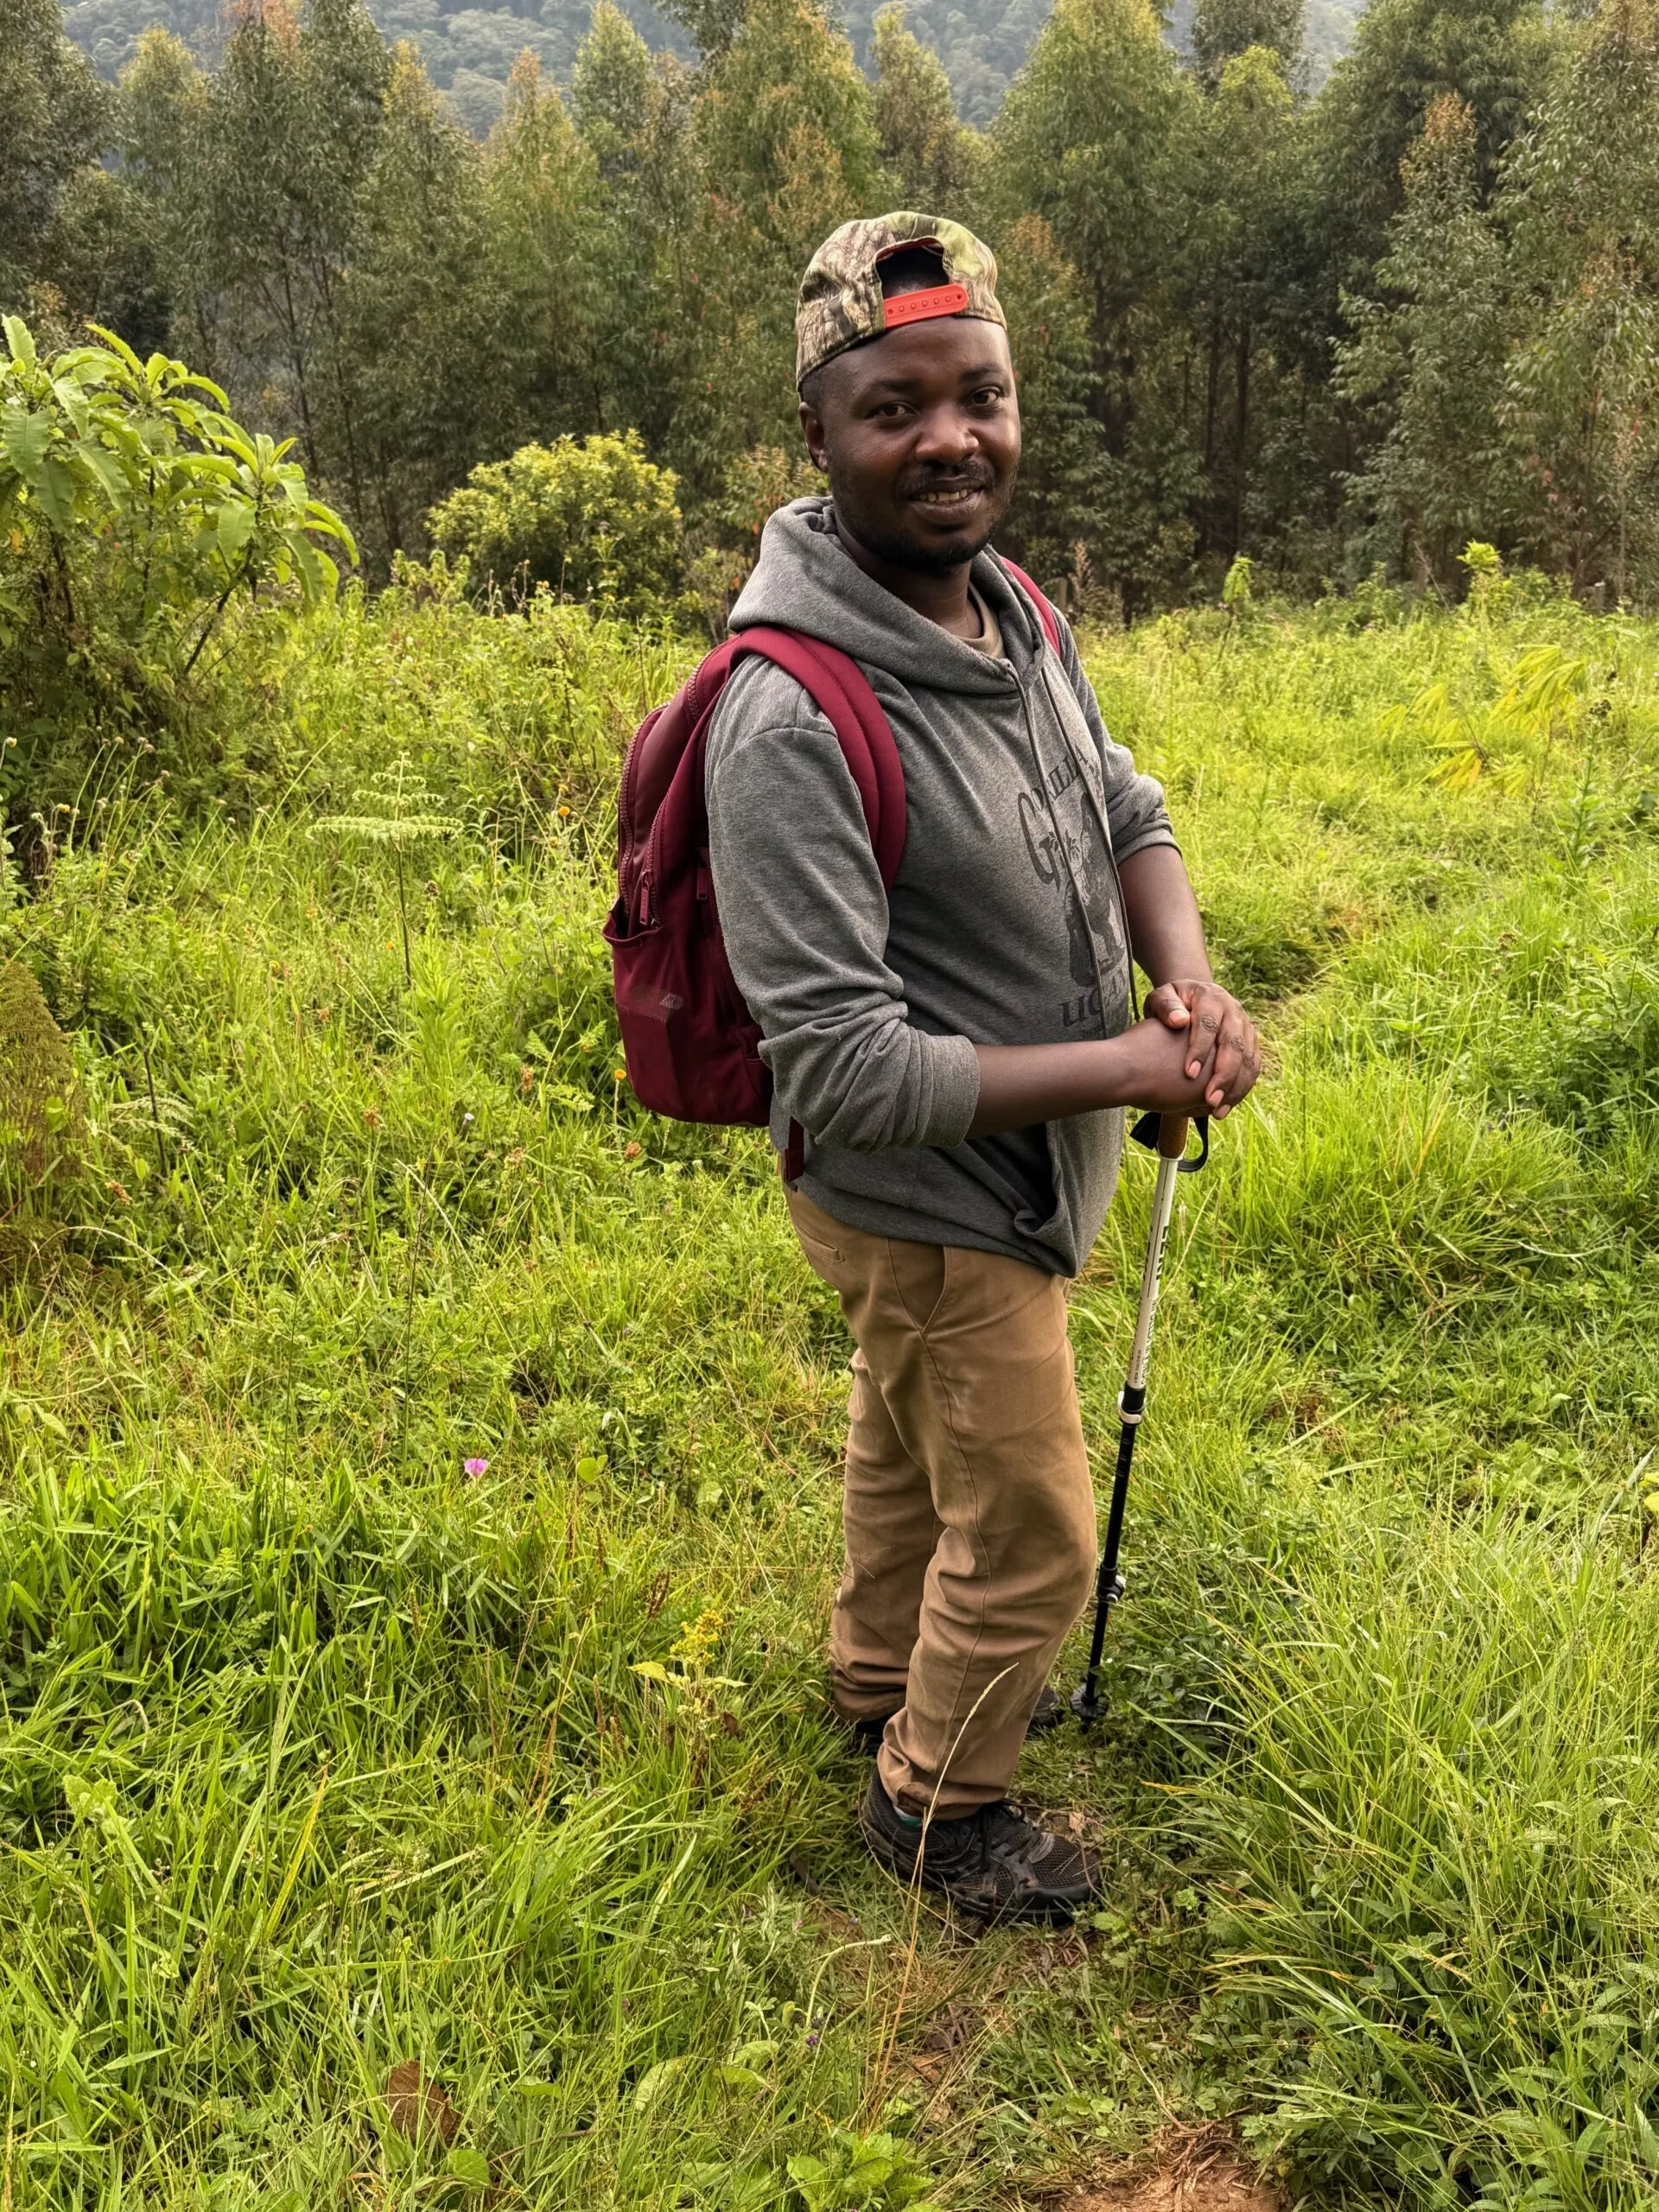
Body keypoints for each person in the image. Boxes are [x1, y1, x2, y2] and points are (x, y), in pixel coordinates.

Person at [704, 213, 1262, 1920]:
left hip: (1003, 1178)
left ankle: (876, 1676)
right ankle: (941, 1803)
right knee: (1031, 1532)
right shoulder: (783, 715)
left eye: (983, 394)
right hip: (921, 1194)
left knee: (904, 1432)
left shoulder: (1011, 604)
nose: (950, 436)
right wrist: (1121, 1063)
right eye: (895, 408)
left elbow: (1122, 803)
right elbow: (852, 1071)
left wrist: (1183, 981)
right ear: (820, 430)